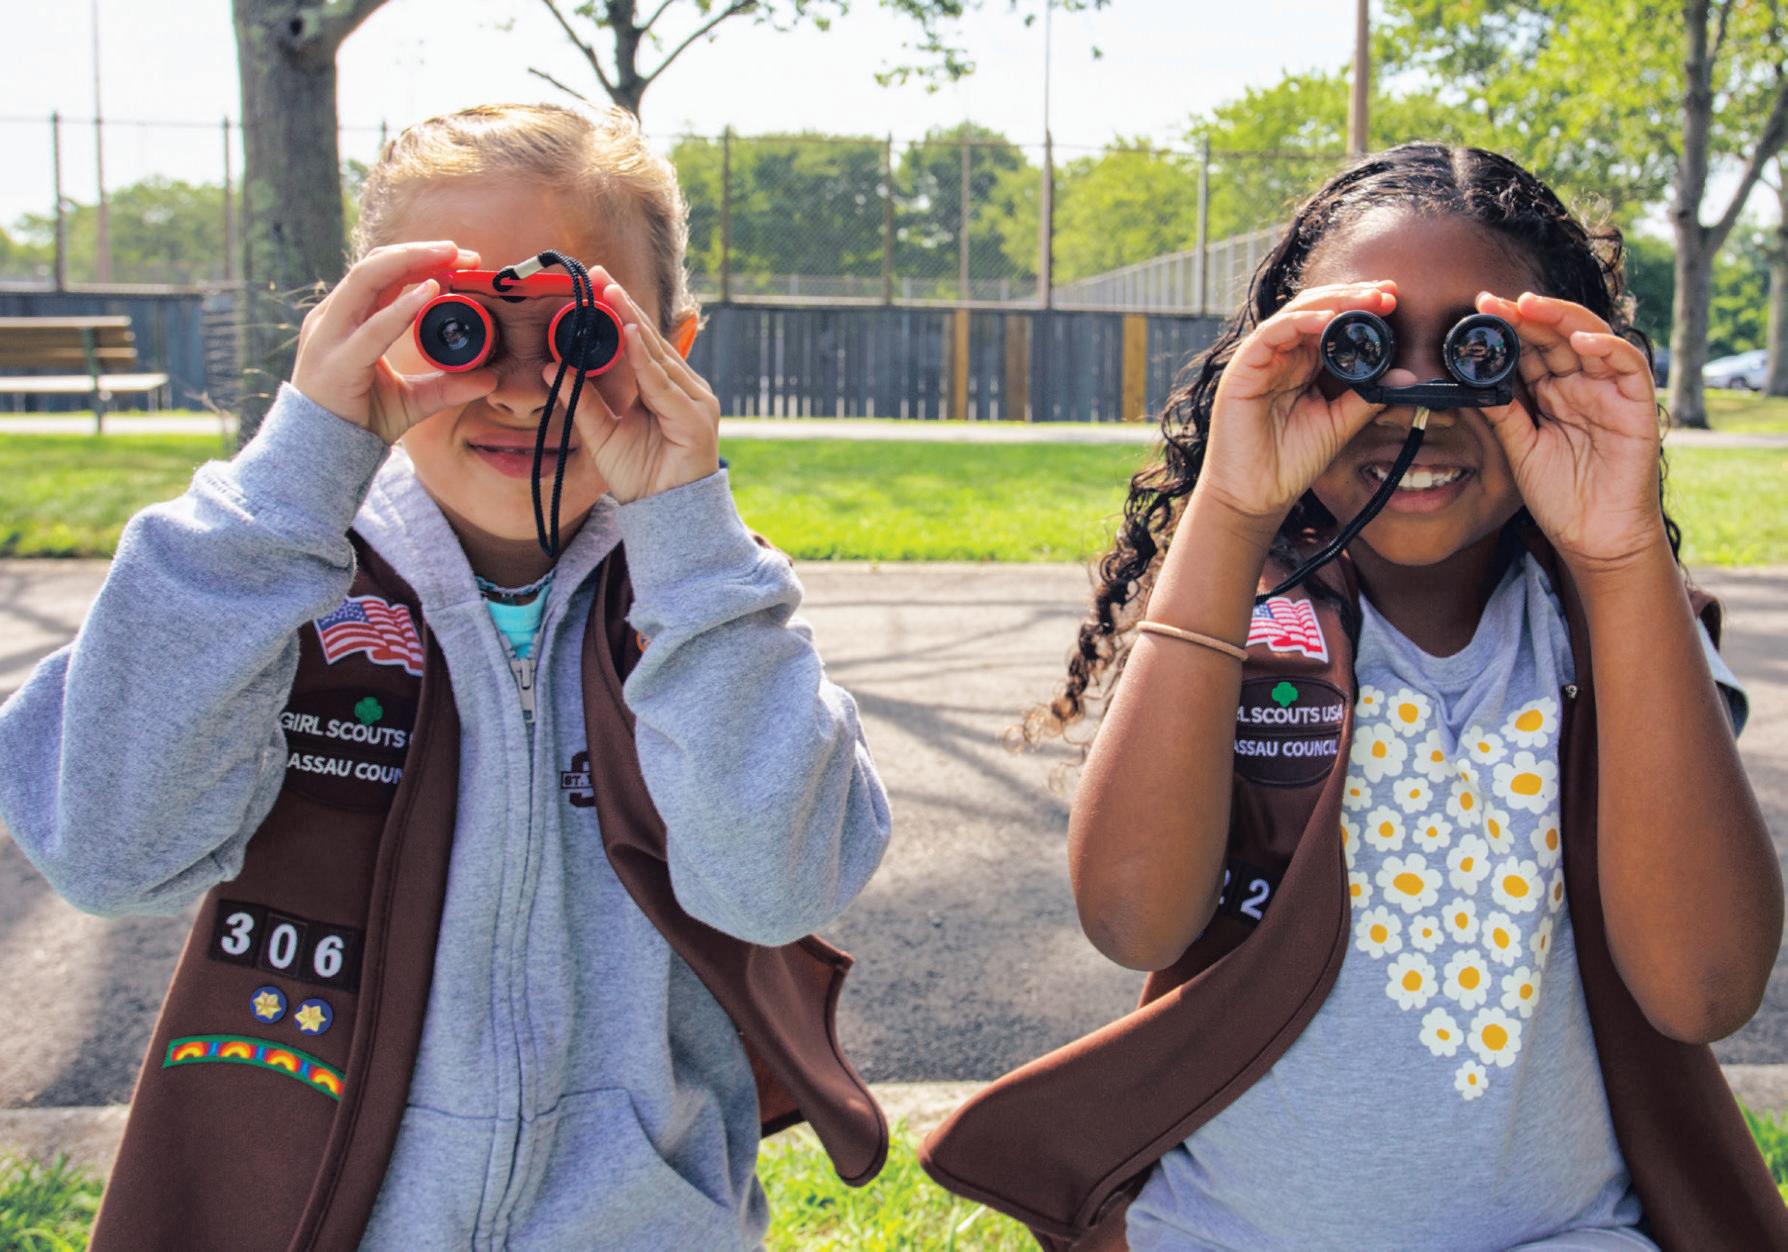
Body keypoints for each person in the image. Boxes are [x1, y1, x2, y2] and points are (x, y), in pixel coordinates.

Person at [0, 103, 891, 1250]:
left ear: (674, 341)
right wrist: (293, 476)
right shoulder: (257, 586)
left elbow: (775, 890)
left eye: (577, 333)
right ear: (366, 325)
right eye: (456, 324)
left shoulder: (709, 609)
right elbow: (109, 856)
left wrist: (689, 536)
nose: (518, 389)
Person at [918, 144, 1785, 1250]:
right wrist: (1230, 507)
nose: (1414, 404)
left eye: (1480, 354)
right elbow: (1132, 918)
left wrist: (1620, 557)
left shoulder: (1627, 632)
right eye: (1359, 350)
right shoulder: (1234, 618)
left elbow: (1706, 988)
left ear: (1561, 365)